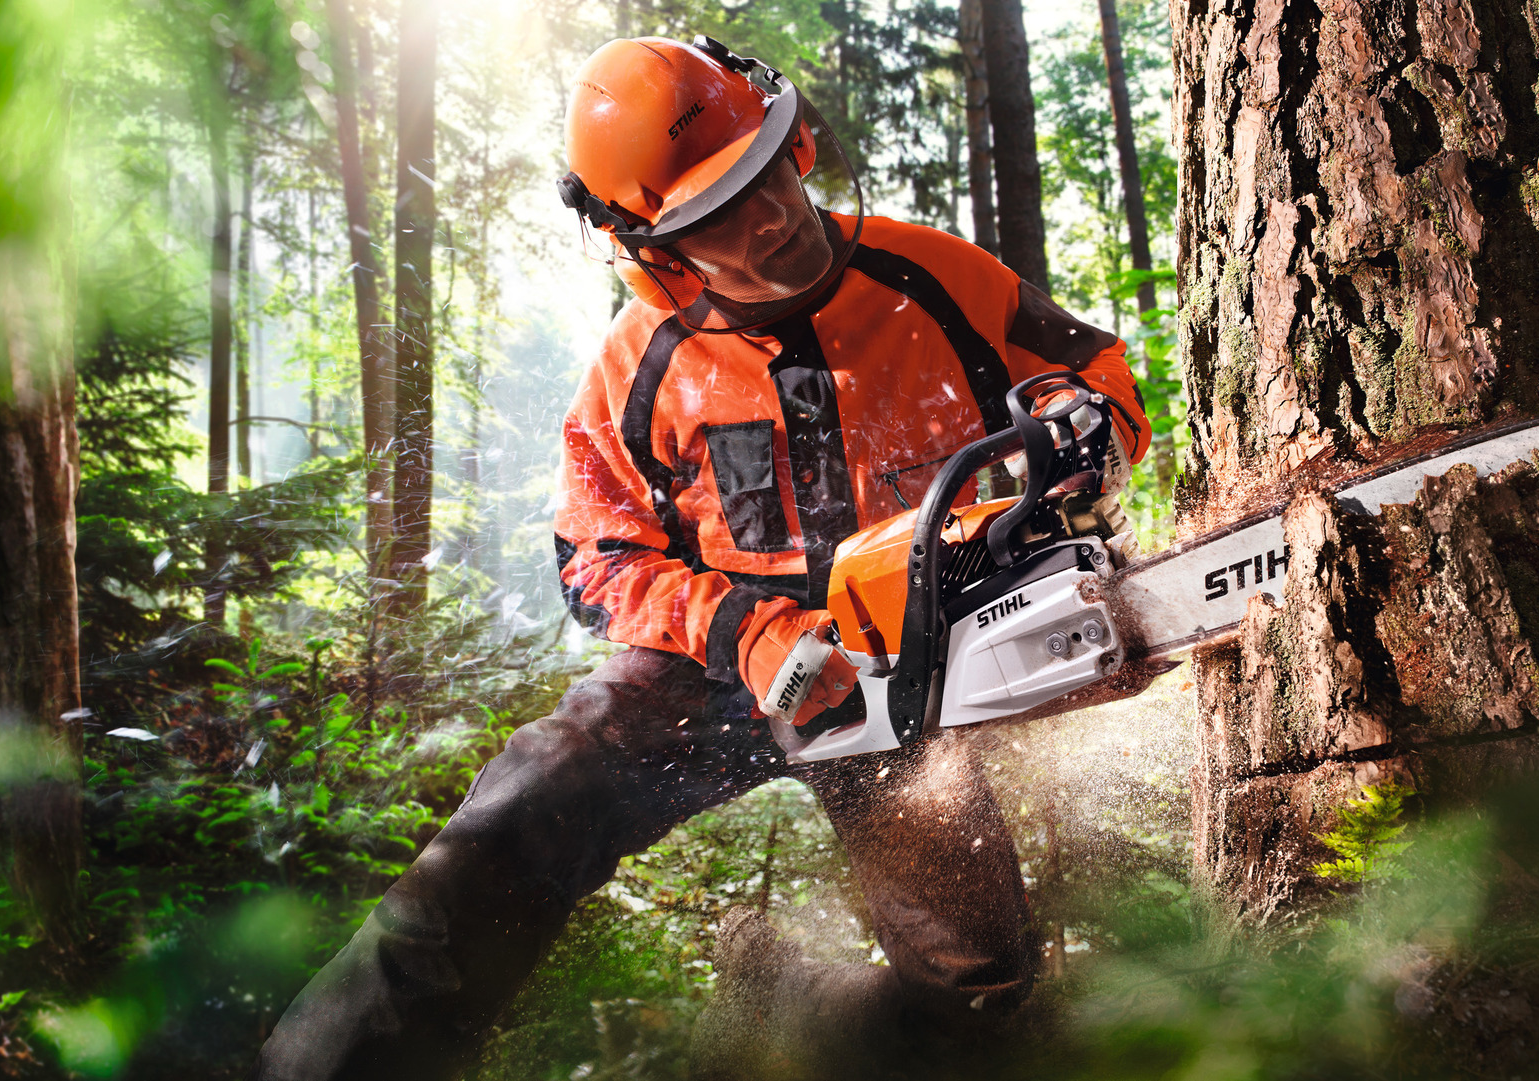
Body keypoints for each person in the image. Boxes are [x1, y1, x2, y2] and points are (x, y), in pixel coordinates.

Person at [252, 35, 1148, 1081]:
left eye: (765, 175)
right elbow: (596, 557)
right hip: (712, 668)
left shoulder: (931, 275)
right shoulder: (645, 362)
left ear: (793, 141)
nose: (769, 217)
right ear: (654, 245)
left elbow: (1087, 367)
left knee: (980, 995)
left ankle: (802, 1008)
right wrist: (748, 632)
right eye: (721, 213)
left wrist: (1074, 424)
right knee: (534, 797)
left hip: (905, 658)